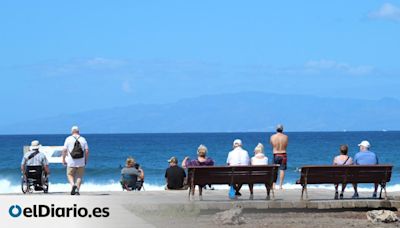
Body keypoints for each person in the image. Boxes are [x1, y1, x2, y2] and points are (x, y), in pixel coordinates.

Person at [62, 126, 89, 195]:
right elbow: (87, 151)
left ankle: (73, 185)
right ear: (78, 131)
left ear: (72, 131)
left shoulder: (68, 139)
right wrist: (85, 160)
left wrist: (63, 159)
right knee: (79, 176)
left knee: (70, 174)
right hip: (81, 160)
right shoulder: (83, 139)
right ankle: (77, 190)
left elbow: (64, 150)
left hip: (71, 161)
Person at [270, 124, 288, 190]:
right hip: (283, 154)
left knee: (275, 170)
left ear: (276, 129)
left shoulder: (272, 137)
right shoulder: (286, 137)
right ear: (282, 129)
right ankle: (280, 185)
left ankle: (273, 185)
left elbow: (272, 145)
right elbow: (286, 145)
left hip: (276, 154)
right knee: (282, 170)